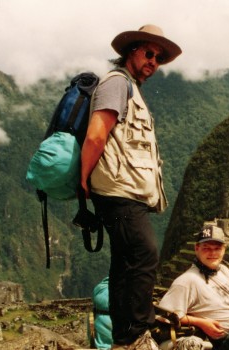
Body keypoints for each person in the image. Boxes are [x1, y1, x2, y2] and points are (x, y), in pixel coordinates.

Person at [80, 24, 181, 349]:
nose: (153, 61)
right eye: (148, 53)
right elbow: (97, 134)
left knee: (126, 262)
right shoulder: (116, 83)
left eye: (158, 57)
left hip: (128, 193)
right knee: (144, 255)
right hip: (117, 191)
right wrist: (84, 180)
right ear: (131, 51)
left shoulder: (132, 89)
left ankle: (125, 335)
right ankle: (137, 332)